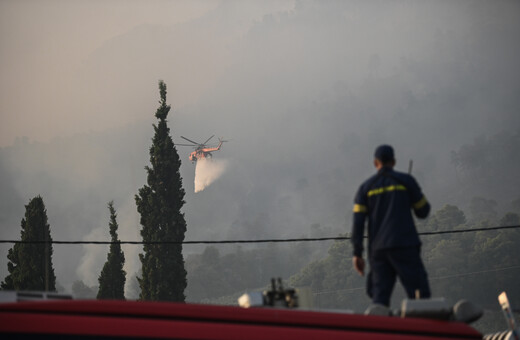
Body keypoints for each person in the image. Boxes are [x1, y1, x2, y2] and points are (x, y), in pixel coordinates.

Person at [351, 145, 431, 307]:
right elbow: (423, 211)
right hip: (405, 246)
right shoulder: (406, 181)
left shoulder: (366, 188)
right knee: (419, 295)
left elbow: (358, 224)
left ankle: (381, 329)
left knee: (379, 299)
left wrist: (357, 254)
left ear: (375, 163)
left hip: (379, 251)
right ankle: (423, 329)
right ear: (393, 162)